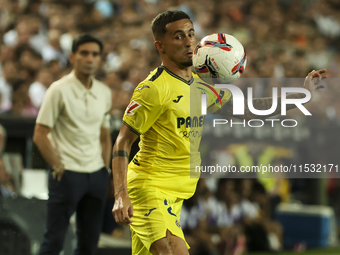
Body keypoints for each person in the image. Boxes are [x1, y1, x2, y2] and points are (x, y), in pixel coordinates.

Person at [111, 10, 326, 255]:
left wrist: (301, 95)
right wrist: (121, 195)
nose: (189, 41)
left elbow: (250, 108)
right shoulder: (152, 89)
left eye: (191, 34)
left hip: (178, 192)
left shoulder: (200, 88)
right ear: (160, 46)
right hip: (150, 188)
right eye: (178, 37)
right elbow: (122, 142)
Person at [33, 34, 112, 255]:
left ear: (100, 59)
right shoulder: (58, 90)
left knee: (89, 244)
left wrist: (104, 169)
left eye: (95, 54)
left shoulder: (104, 92)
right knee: (54, 241)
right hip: (67, 173)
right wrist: (58, 166)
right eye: (84, 53)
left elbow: (104, 135)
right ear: (72, 57)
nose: (90, 59)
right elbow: (40, 133)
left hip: (95, 174)